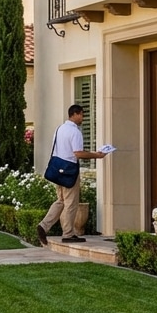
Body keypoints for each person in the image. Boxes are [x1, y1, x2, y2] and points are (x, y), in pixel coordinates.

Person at [37, 104, 108, 244]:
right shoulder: (75, 132)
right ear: (75, 114)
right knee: (71, 203)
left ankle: (43, 226)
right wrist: (97, 155)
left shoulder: (59, 129)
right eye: (81, 114)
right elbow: (78, 153)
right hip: (69, 170)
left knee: (61, 201)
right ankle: (68, 234)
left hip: (58, 170)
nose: (83, 117)